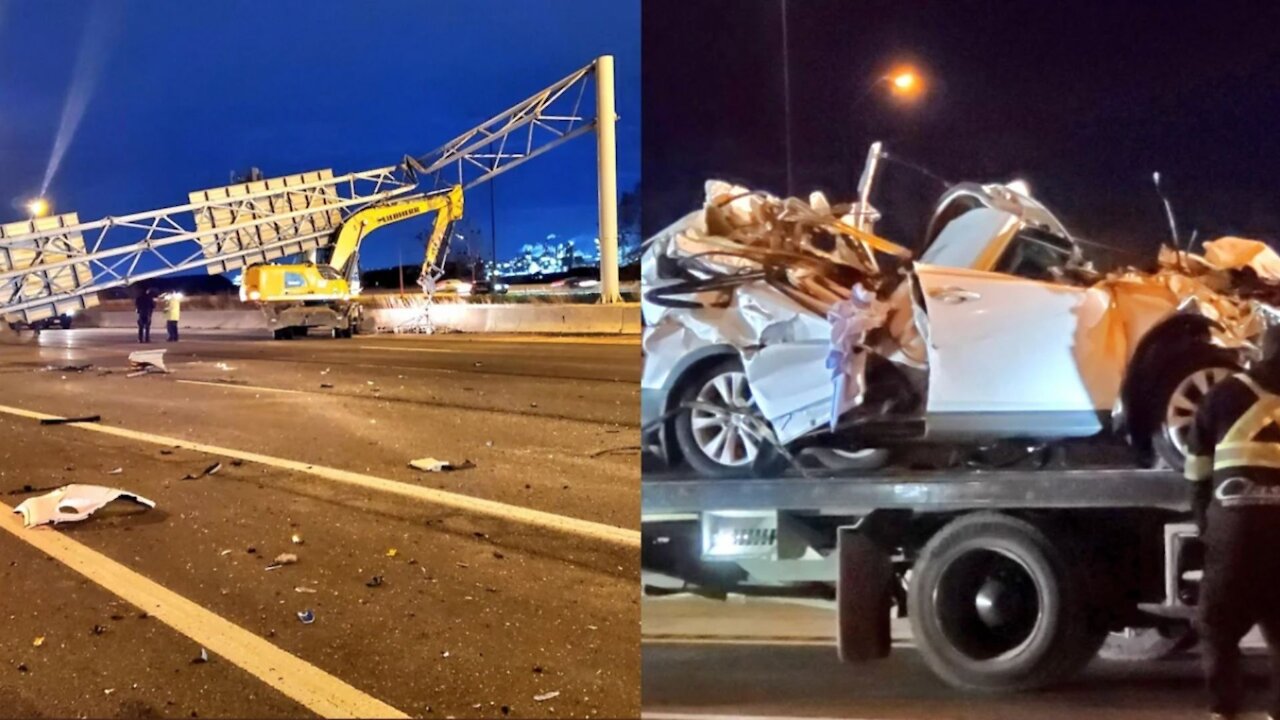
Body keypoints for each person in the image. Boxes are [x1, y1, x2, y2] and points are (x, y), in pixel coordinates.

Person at [1186, 325, 1280, 720]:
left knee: (1218, 628)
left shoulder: (1222, 395)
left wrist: (1204, 524)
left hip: (1233, 532)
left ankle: (1223, 711)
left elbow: (1196, 471)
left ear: (1261, 352)